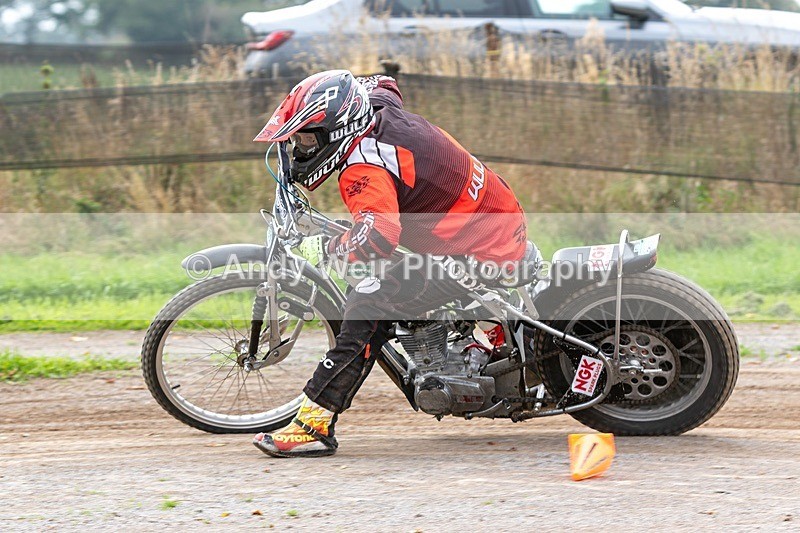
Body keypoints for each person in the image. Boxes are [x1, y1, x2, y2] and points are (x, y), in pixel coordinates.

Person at [252, 70, 528, 458]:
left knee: (369, 302)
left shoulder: (362, 169)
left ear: (337, 131)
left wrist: (326, 249)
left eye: (308, 139)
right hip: (491, 214)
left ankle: (313, 425)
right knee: (380, 276)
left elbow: (380, 236)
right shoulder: (373, 105)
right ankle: (480, 336)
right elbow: (384, 82)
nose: (300, 149)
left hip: (481, 248)